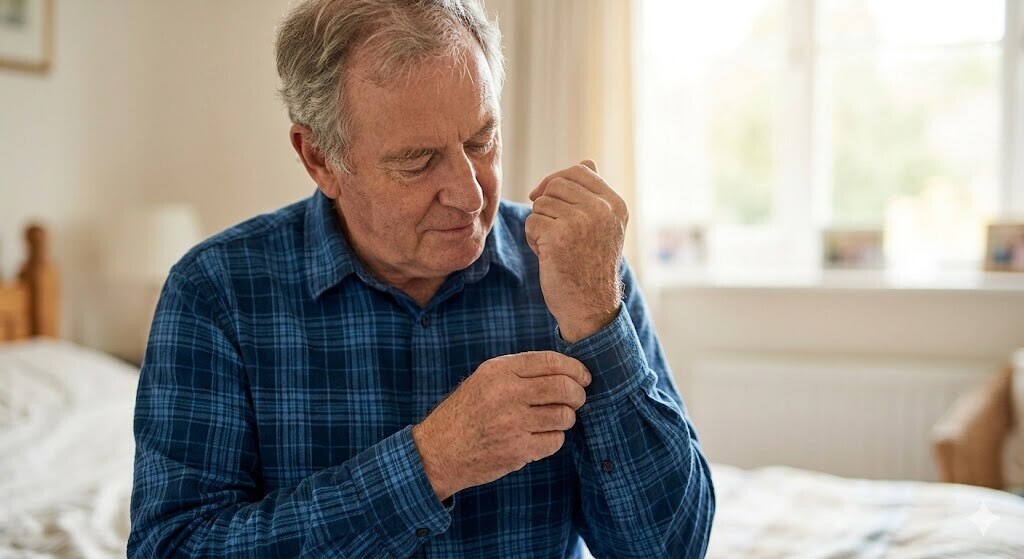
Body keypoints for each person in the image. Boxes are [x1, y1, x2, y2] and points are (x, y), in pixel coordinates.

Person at [127, 0, 715, 557]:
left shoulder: (577, 266)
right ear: (319, 159)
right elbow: (177, 546)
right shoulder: (216, 292)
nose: (470, 193)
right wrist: (431, 463)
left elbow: (669, 549)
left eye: (482, 140)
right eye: (417, 161)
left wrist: (595, 319)